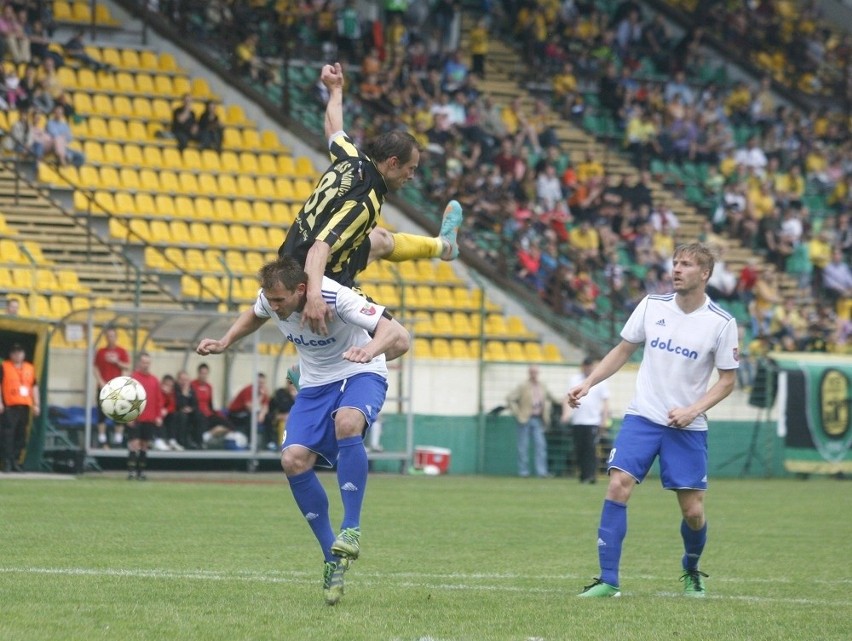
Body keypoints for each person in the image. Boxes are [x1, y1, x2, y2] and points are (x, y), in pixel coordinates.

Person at [196, 255, 409, 605]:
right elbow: (254, 313)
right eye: (270, 299)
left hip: (361, 372)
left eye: (280, 300)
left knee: (347, 421)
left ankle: (351, 529)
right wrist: (224, 341)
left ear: (300, 289)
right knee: (293, 460)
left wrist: (368, 350)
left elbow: (395, 332)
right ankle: (332, 558)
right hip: (314, 385)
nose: (274, 306)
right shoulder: (272, 299)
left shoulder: (336, 297)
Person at [568, 243, 739, 598]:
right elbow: (622, 350)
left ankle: (691, 569)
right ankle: (608, 580)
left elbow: (727, 381)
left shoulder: (721, 324)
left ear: (704, 274)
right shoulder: (651, 305)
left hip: (686, 427)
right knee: (617, 486)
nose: (677, 269)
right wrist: (588, 382)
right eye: (675, 263)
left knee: (693, 511)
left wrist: (693, 409)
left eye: (687, 264)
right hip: (642, 417)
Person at [277, 62, 464, 335]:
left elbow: (333, 130)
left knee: (381, 240)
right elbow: (319, 249)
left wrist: (336, 90)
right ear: (392, 163)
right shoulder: (364, 202)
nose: (412, 176)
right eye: (410, 169)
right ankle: (313, 370)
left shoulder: (353, 159)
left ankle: (444, 246)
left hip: (293, 257)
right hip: (318, 276)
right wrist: (315, 296)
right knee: (392, 337)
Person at [506, 365, 560, 478]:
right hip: (525, 419)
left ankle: (542, 472)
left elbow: (551, 397)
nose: (534, 375)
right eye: (532, 372)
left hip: (538, 419)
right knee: (523, 446)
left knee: (540, 446)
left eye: (536, 372)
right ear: (529, 373)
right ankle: (523, 472)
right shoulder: (523, 386)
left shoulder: (542, 386)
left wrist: (564, 401)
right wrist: (517, 413)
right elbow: (510, 398)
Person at [562, 356, 610, 484]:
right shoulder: (574, 380)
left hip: (592, 421)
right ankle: (583, 475)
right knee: (580, 449)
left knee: (590, 449)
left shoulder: (600, 381)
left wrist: (603, 419)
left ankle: (591, 475)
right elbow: (566, 397)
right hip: (578, 421)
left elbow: (605, 402)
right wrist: (565, 414)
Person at [0, 343, 40, 473]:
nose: (17, 355)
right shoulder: (4, 367)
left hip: (25, 405)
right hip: (10, 406)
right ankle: (6, 461)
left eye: (20, 352)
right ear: (10, 354)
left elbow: (34, 386)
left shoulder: (30, 368)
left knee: (21, 435)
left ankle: (16, 461)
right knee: (8, 435)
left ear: (23, 354)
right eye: (15, 352)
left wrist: (36, 404)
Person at [127, 352, 166, 480]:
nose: (146, 365)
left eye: (148, 363)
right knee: (134, 444)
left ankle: (141, 472)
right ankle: (131, 472)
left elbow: (158, 399)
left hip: (149, 418)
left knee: (144, 445)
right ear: (139, 363)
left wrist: (158, 416)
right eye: (144, 362)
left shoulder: (154, 380)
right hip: (136, 417)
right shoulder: (133, 378)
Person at [93, 327, 130, 448]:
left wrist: (117, 361)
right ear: (106, 338)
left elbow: (127, 366)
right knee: (102, 413)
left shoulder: (122, 351)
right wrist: (101, 381)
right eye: (108, 336)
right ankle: (102, 439)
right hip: (104, 386)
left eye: (112, 336)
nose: (110, 338)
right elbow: (95, 368)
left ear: (116, 337)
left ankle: (118, 439)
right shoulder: (101, 352)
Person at [191, 362, 233, 447]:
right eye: (202, 373)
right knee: (200, 419)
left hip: (208, 414)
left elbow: (210, 403)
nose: (204, 376)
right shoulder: (192, 385)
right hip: (198, 414)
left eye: (206, 373)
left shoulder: (209, 387)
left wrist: (216, 413)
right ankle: (200, 442)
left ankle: (209, 434)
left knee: (227, 423)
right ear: (198, 373)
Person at [227, 373, 270, 442]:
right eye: (259, 383)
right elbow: (250, 408)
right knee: (251, 417)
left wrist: (262, 415)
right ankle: (250, 442)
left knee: (268, 417)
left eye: (262, 383)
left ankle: (269, 442)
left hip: (248, 412)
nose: (261, 385)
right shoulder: (248, 390)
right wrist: (260, 397)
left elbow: (266, 407)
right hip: (236, 414)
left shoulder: (264, 391)